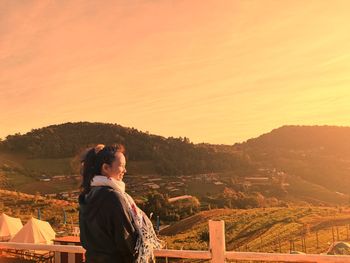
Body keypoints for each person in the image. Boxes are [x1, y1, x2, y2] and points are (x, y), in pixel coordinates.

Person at [79, 144, 162, 263]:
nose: (125, 170)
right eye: (122, 166)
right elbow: (126, 242)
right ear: (106, 168)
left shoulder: (87, 195)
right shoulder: (113, 197)